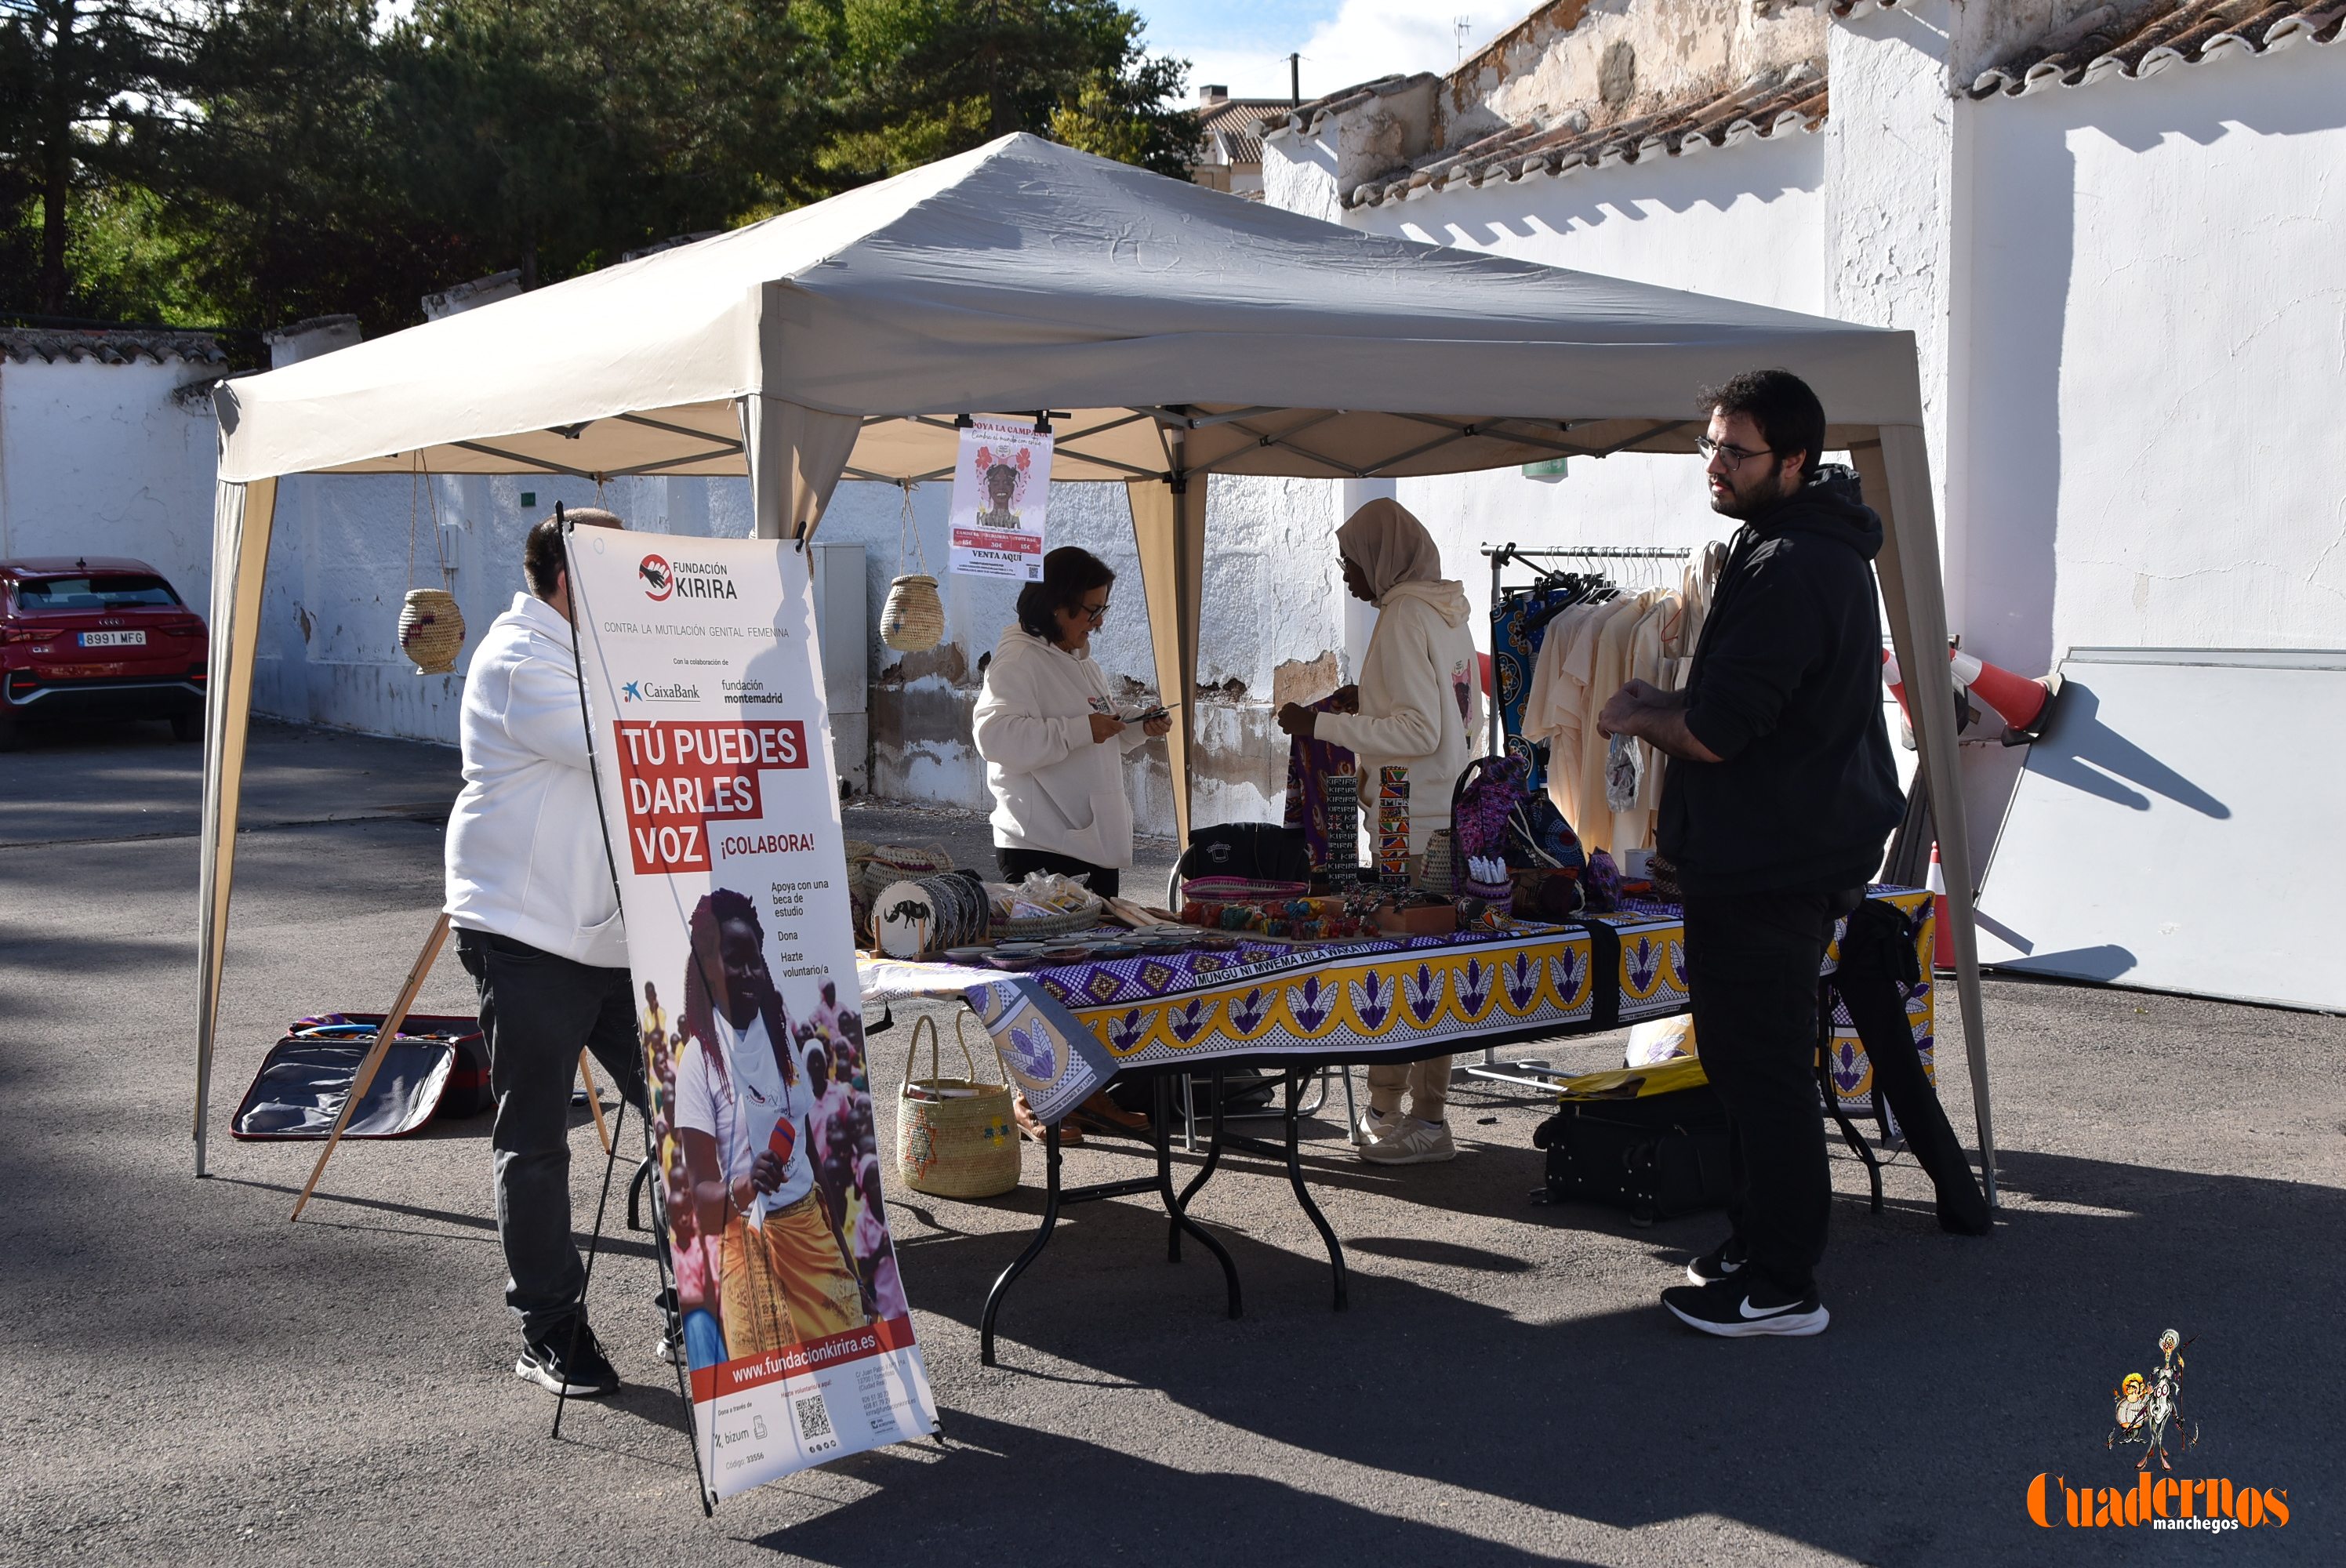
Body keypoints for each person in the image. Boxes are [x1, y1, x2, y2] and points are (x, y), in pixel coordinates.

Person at [1596, 370, 1903, 1338]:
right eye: (1711, 446)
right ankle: (1758, 1240)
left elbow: (1722, 732)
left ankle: (1781, 1283)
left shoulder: (1791, 565)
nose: (1715, 466)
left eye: (1736, 451)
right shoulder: (1789, 549)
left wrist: (1643, 711)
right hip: (1775, 853)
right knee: (1742, 1062)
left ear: (1796, 461)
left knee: (1760, 1067)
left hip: (1774, 863)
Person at [445, 506, 647, 1398]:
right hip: (526, 934)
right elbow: (620, 742)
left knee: (693, 1112)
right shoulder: (518, 658)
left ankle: (699, 1305)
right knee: (537, 1139)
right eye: (618, 568)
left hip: (617, 932)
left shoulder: (603, 655)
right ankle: (551, 1327)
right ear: (568, 580)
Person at [1277, 499, 1483, 1166]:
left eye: (1350, 561)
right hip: (1438, 808)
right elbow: (1452, 718)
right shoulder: (1446, 609)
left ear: (1382, 557)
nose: (1346, 577)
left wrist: (1323, 726)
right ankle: (1392, 1111)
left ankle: (1421, 1120)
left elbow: (1418, 730)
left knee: (1409, 972)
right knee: (1423, 969)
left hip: (1407, 811)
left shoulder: (1402, 614)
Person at [974, 545, 1171, 1142]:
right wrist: (1081, 729)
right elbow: (996, 736)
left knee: (1088, 978)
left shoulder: (1079, 660)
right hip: (1044, 842)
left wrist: (1135, 728)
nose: (1096, 623)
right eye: (1088, 610)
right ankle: (1035, 1100)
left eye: (1101, 610)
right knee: (1042, 980)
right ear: (1053, 605)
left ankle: (1085, 1096)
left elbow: (1095, 739)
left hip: (1089, 838)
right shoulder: (1017, 659)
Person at [672, 889, 870, 1359]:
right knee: (774, 1399)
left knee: (848, 1373)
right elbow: (700, 1200)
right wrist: (745, 1185)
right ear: (705, 968)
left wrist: (846, 1260)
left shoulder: (779, 1028)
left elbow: (807, 1151)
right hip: (748, 1248)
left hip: (813, 1237)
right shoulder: (699, 1062)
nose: (747, 973)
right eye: (732, 960)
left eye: (754, 961)